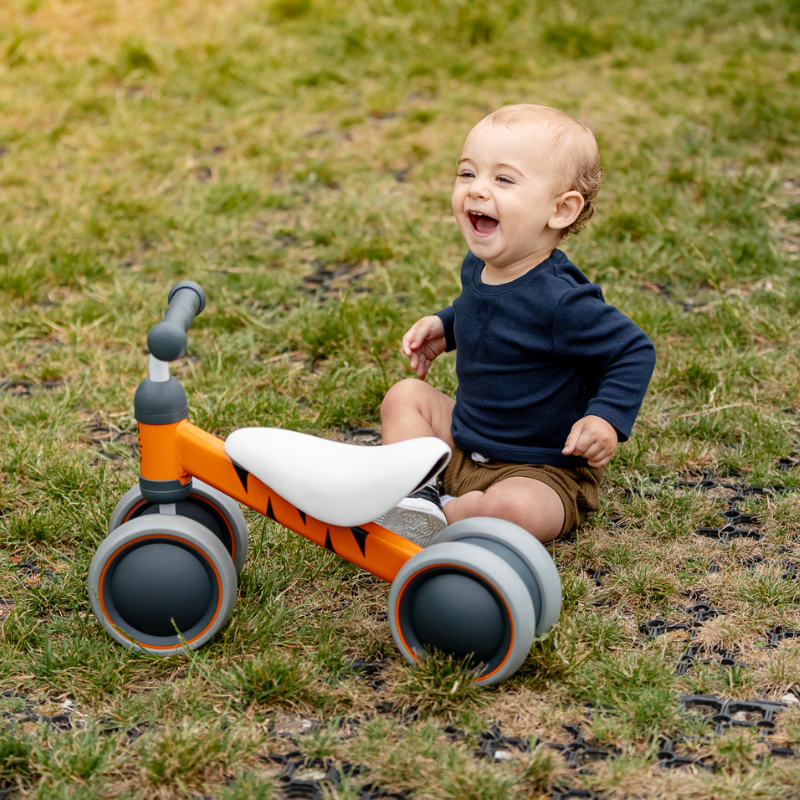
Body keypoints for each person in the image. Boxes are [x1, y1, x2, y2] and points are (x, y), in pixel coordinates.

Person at [375, 104, 656, 546]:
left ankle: (440, 518)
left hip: (543, 465)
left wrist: (605, 418)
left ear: (560, 210)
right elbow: (482, 311)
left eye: (503, 179)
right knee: (404, 396)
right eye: (467, 174)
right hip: (466, 440)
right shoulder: (479, 265)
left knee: (515, 509)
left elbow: (633, 350)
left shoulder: (562, 301)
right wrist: (445, 326)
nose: (476, 190)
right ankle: (417, 494)